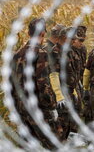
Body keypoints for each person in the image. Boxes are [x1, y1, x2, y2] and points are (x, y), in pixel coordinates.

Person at [10, 18, 61, 149]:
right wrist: (52, 106)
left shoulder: (17, 54)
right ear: (43, 34)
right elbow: (43, 84)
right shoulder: (41, 53)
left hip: (21, 107)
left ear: (28, 33)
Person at [49, 26, 86, 140]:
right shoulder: (55, 52)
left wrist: (75, 91)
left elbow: (72, 75)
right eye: (72, 39)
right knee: (62, 127)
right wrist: (59, 96)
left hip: (70, 93)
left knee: (70, 126)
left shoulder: (68, 52)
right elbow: (53, 75)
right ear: (64, 38)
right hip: (62, 96)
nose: (74, 41)